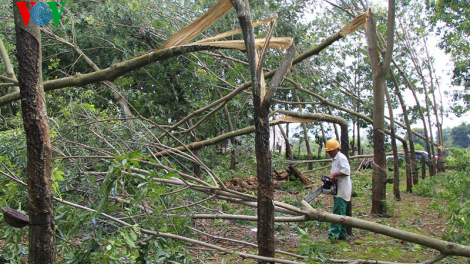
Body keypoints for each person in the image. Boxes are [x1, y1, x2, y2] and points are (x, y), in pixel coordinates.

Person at [324, 138, 351, 240]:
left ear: (335, 150)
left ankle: (333, 235)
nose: (329, 153)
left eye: (330, 151)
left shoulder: (341, 158)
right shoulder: (335, 159)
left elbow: (346, 171)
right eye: (328, 152)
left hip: (343, 190)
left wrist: (334, 174)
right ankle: (343, 234)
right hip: (338, 189)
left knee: (338, 213)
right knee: (341, 212)